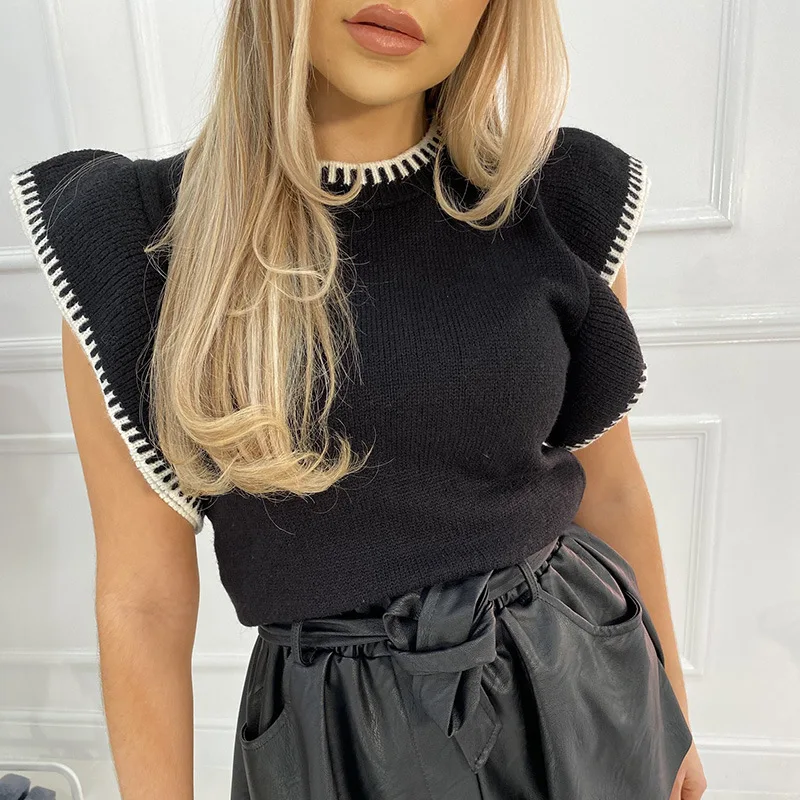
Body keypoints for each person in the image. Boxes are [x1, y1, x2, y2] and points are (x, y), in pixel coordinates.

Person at [8, 0, 708, 798]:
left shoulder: (557, 199)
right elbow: (143, 600)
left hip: (583, 698)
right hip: (334, 748)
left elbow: (610, 488)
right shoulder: (140, 246)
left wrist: (672, 716)